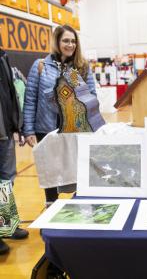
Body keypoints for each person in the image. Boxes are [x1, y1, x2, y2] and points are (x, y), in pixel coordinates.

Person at [23, 24, 98, 207]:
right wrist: (29, 130)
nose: (70, 44)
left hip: (75, 130)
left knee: (79, 173)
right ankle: (50, 210)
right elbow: (30, 99)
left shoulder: (81, 67)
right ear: (57, 42)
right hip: (47, 129)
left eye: (73, 41)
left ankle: (81, 211)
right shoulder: (41, 66)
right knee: (49, 174)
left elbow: (93, 98)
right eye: (66, 40)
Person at [0, 48, 29, 255]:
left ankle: (6, 225)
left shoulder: (3, 57)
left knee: (6, 180)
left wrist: (16, 124)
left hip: (5, 131)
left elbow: (10, 92)